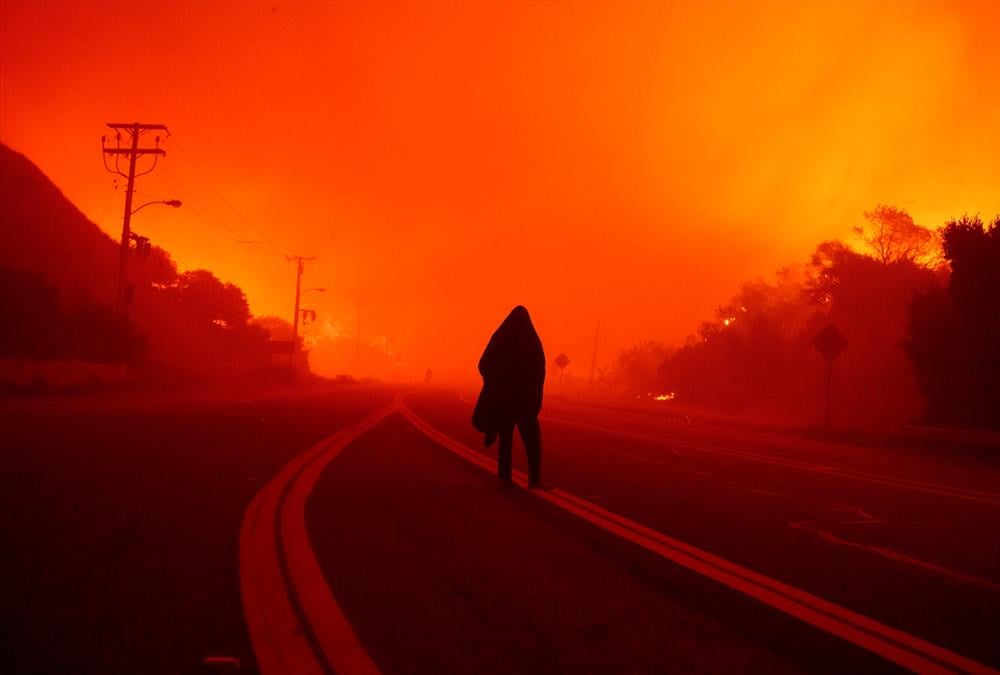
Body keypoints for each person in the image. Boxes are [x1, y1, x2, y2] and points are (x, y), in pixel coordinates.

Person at [472, 305, 546, 487]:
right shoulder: (532, 341)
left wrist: (496, 384)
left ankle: (504, 477)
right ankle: (534, 480)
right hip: (524, 402)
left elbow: (484, 364)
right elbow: (539, 372)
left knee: (506, 439)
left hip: (505, 401)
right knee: (532, 442)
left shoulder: (500, 339)